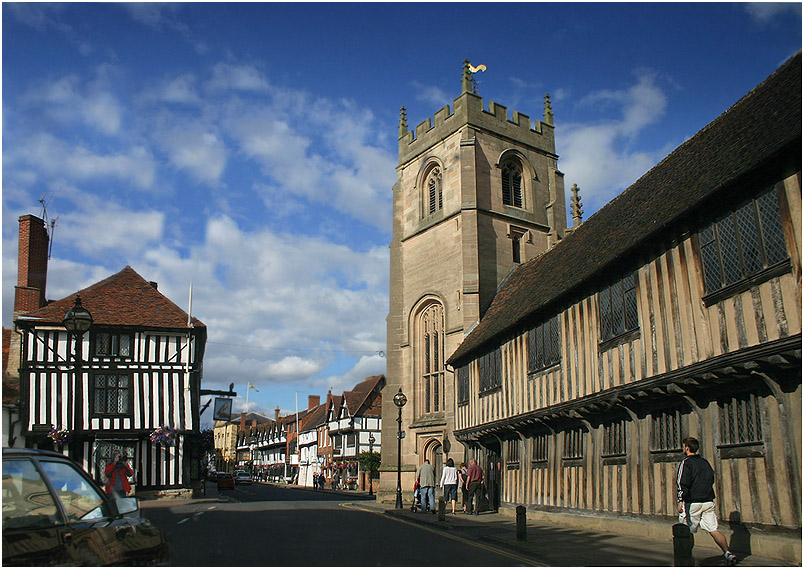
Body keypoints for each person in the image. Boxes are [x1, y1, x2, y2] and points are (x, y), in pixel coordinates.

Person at [676, 437, 738, 566]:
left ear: (687, 447)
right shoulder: (705, 462)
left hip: (693, 502)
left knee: (687, 531)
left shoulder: (686, 463)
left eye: (683, 446)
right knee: (713, 529)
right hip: (708, 501)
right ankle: (727, 553)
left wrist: (680, 500)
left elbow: (682, 482)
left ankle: (685, 558)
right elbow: (710, 478)